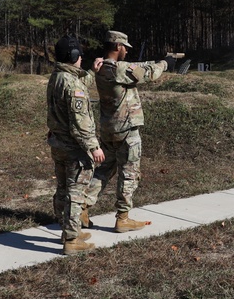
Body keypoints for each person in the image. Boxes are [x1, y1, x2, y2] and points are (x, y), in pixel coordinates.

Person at [83, 30, 175, 233]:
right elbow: (148, 74)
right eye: (124, 47)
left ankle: (83, 207)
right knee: (129, 173)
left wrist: (155, 61)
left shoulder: (100, 67)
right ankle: (123, 218)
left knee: (104, 170)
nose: (126, 51)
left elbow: (138, 66)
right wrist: (165, 63)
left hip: (109, 128)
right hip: (126, 129)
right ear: (117, 46)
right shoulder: (118, 69)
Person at [46, 35, 105, 255]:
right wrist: (94, 147)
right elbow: (81, 121)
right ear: (73, 56)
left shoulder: (58, 77)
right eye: (79, 55)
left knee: (63, 189)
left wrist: (92, 72)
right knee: (76, 192)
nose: (81, 58)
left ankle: (67, 230)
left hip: (59, 144)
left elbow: (77, 88)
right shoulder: (71, 84)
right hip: (74, 148)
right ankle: (71, 240)